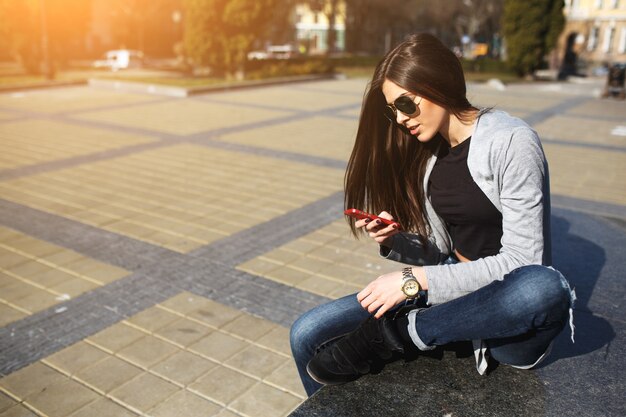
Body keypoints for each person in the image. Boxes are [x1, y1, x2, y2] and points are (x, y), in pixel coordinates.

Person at [290, 33, 575, 397]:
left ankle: (402, 333)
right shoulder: (431, 156)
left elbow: (525, 262)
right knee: (307, 332)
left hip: (503, 308)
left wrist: (414, 280)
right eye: (393, 110)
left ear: (437, 83)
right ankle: (413, 332)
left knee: (542, 289)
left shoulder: (511, 141)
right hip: (450, 288)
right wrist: (396, 241)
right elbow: (440, 246)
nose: (400, 119)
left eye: (406, 104)